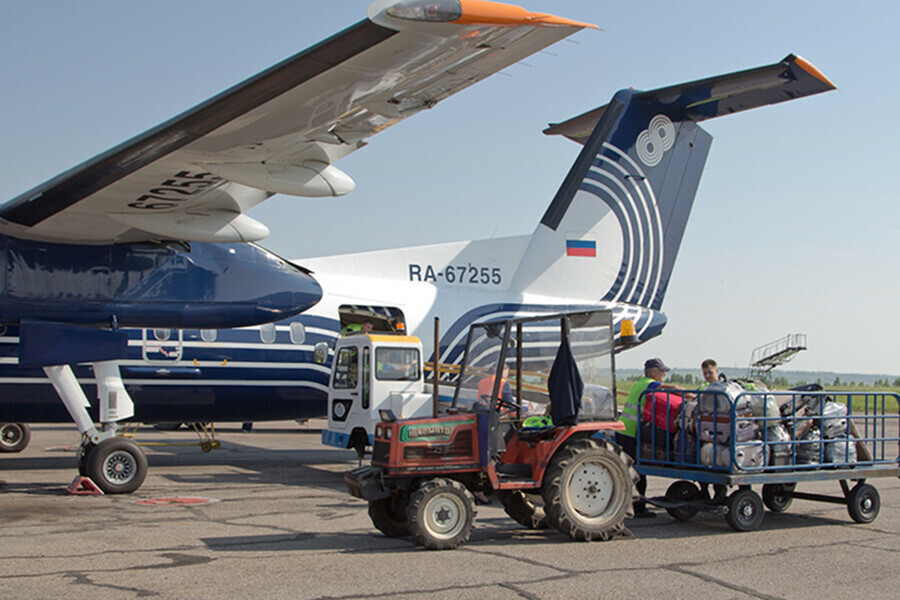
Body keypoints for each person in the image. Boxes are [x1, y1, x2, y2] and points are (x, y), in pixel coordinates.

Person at [617, 358, 679, 518]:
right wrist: (684, 390)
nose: (664, 374)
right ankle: (638, 507)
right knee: (637, 470)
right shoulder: (648, 384)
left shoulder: (638, 383)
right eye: (662, 371)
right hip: (631, 432)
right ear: (653, 372)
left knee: (628, 469)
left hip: (623, 430)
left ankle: (632, 503)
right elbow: (666, 387)